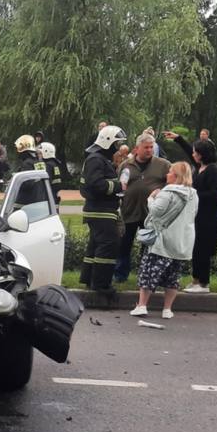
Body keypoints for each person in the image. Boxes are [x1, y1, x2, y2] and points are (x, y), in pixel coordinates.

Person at [129, 161, 198, 319]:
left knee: (149, 273)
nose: (166, 175)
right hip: (182, 242)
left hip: (163, 241)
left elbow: (156, 211)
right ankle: (167, 309)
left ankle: (142, 306)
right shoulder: (193, 194)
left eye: (170, 172)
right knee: (173, 277)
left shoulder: (168, 192)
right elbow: (193, 215)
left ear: (176, 176)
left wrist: (151, 199)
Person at [165, 131, 217, 293]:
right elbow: (189, 152)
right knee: (196, 248)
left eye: (196, 152)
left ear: (203, 154)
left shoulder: (213, 171)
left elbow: (214, 194)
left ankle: (203, 283)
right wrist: (178, 139)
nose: (194, 154)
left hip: (208, 217)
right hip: (197, 215)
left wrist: (192, 193)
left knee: (203, 249)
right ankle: (196, 279)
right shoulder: (200, 167)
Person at [113, 131, 171, 282]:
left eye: (151, 147)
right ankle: (120, 274)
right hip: (129, 211)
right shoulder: (126, 165)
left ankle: (147, 274)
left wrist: (162, 193)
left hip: (150, 214)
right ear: (137, 148)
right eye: (146, 147)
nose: (149, 150)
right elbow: (119, 184)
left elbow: (172, 182)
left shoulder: (163, 165)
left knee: (149, 246)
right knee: (124, 244)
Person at [79, 125, 126, 305]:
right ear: (108, 142)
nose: (118, 147)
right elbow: (97, 185)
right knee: (107, 247)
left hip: (100, 210)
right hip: (101, 212)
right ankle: (102, 285)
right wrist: (119, 186)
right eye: (117, 143)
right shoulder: (96, 160)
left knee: (95, 247)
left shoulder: (97, 159)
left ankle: (90, 280)